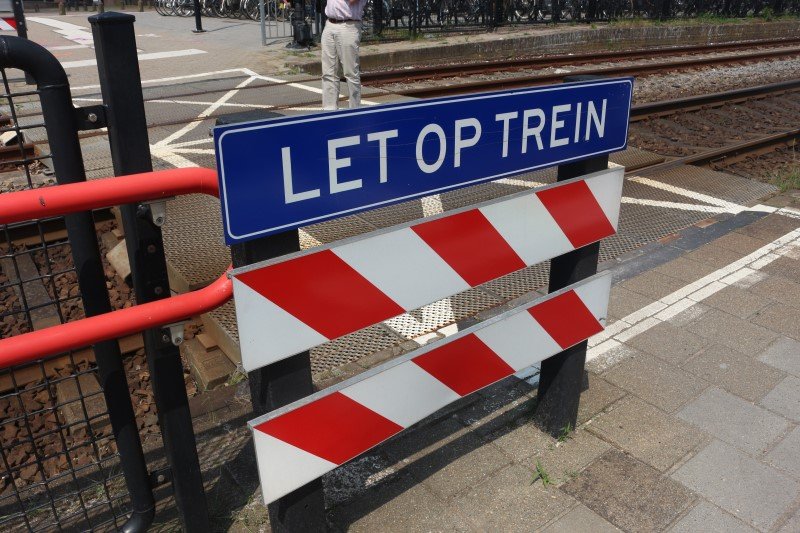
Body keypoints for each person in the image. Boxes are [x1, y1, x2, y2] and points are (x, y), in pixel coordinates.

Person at [321, 0, 368, 111]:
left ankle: (354, 111)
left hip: (348, 25)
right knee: (328, 73)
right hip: (330, 24)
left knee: (351, 73)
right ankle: (329, 111)